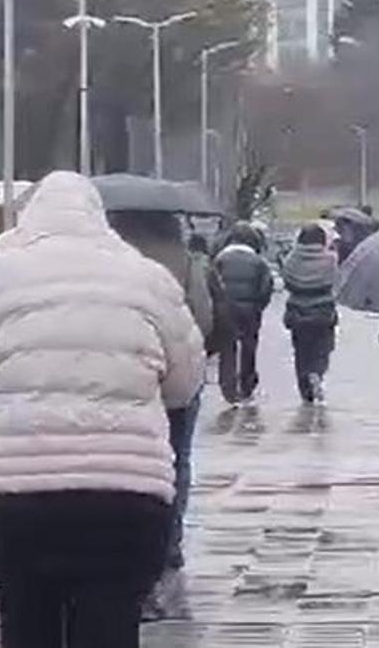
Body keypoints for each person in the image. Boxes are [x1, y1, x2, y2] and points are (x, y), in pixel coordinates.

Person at [0, 172, 205, 648]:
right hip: (126, 489)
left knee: (27, 624)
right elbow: (185, 382)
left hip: (20, 490)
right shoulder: (149, 279)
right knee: (111, 623)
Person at [107, 210, 214, 615]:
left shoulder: (107, 258)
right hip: (175, 375)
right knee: (175, 459)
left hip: (120, 378)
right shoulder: (183, 260)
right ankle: (169, 541)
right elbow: (203, 316)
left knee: (124, 461)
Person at [214, 222, 274, 404]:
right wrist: (259, 306)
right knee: (249, 346)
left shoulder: (220, 259)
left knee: (227, 347)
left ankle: (228, 388)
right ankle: (247, 385)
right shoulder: (258, 261)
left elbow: (212, 283)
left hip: (225, 309)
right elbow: (266, 287)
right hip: (250, 310)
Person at [281, 223, 339, 404]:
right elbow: (336, 282)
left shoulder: (291, 259)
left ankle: (305, 390)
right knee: (323, 348)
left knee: (301, 352)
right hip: (323, 311)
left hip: (297, 311)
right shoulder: (330, 259)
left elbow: (286, 281)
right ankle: (317, 373)